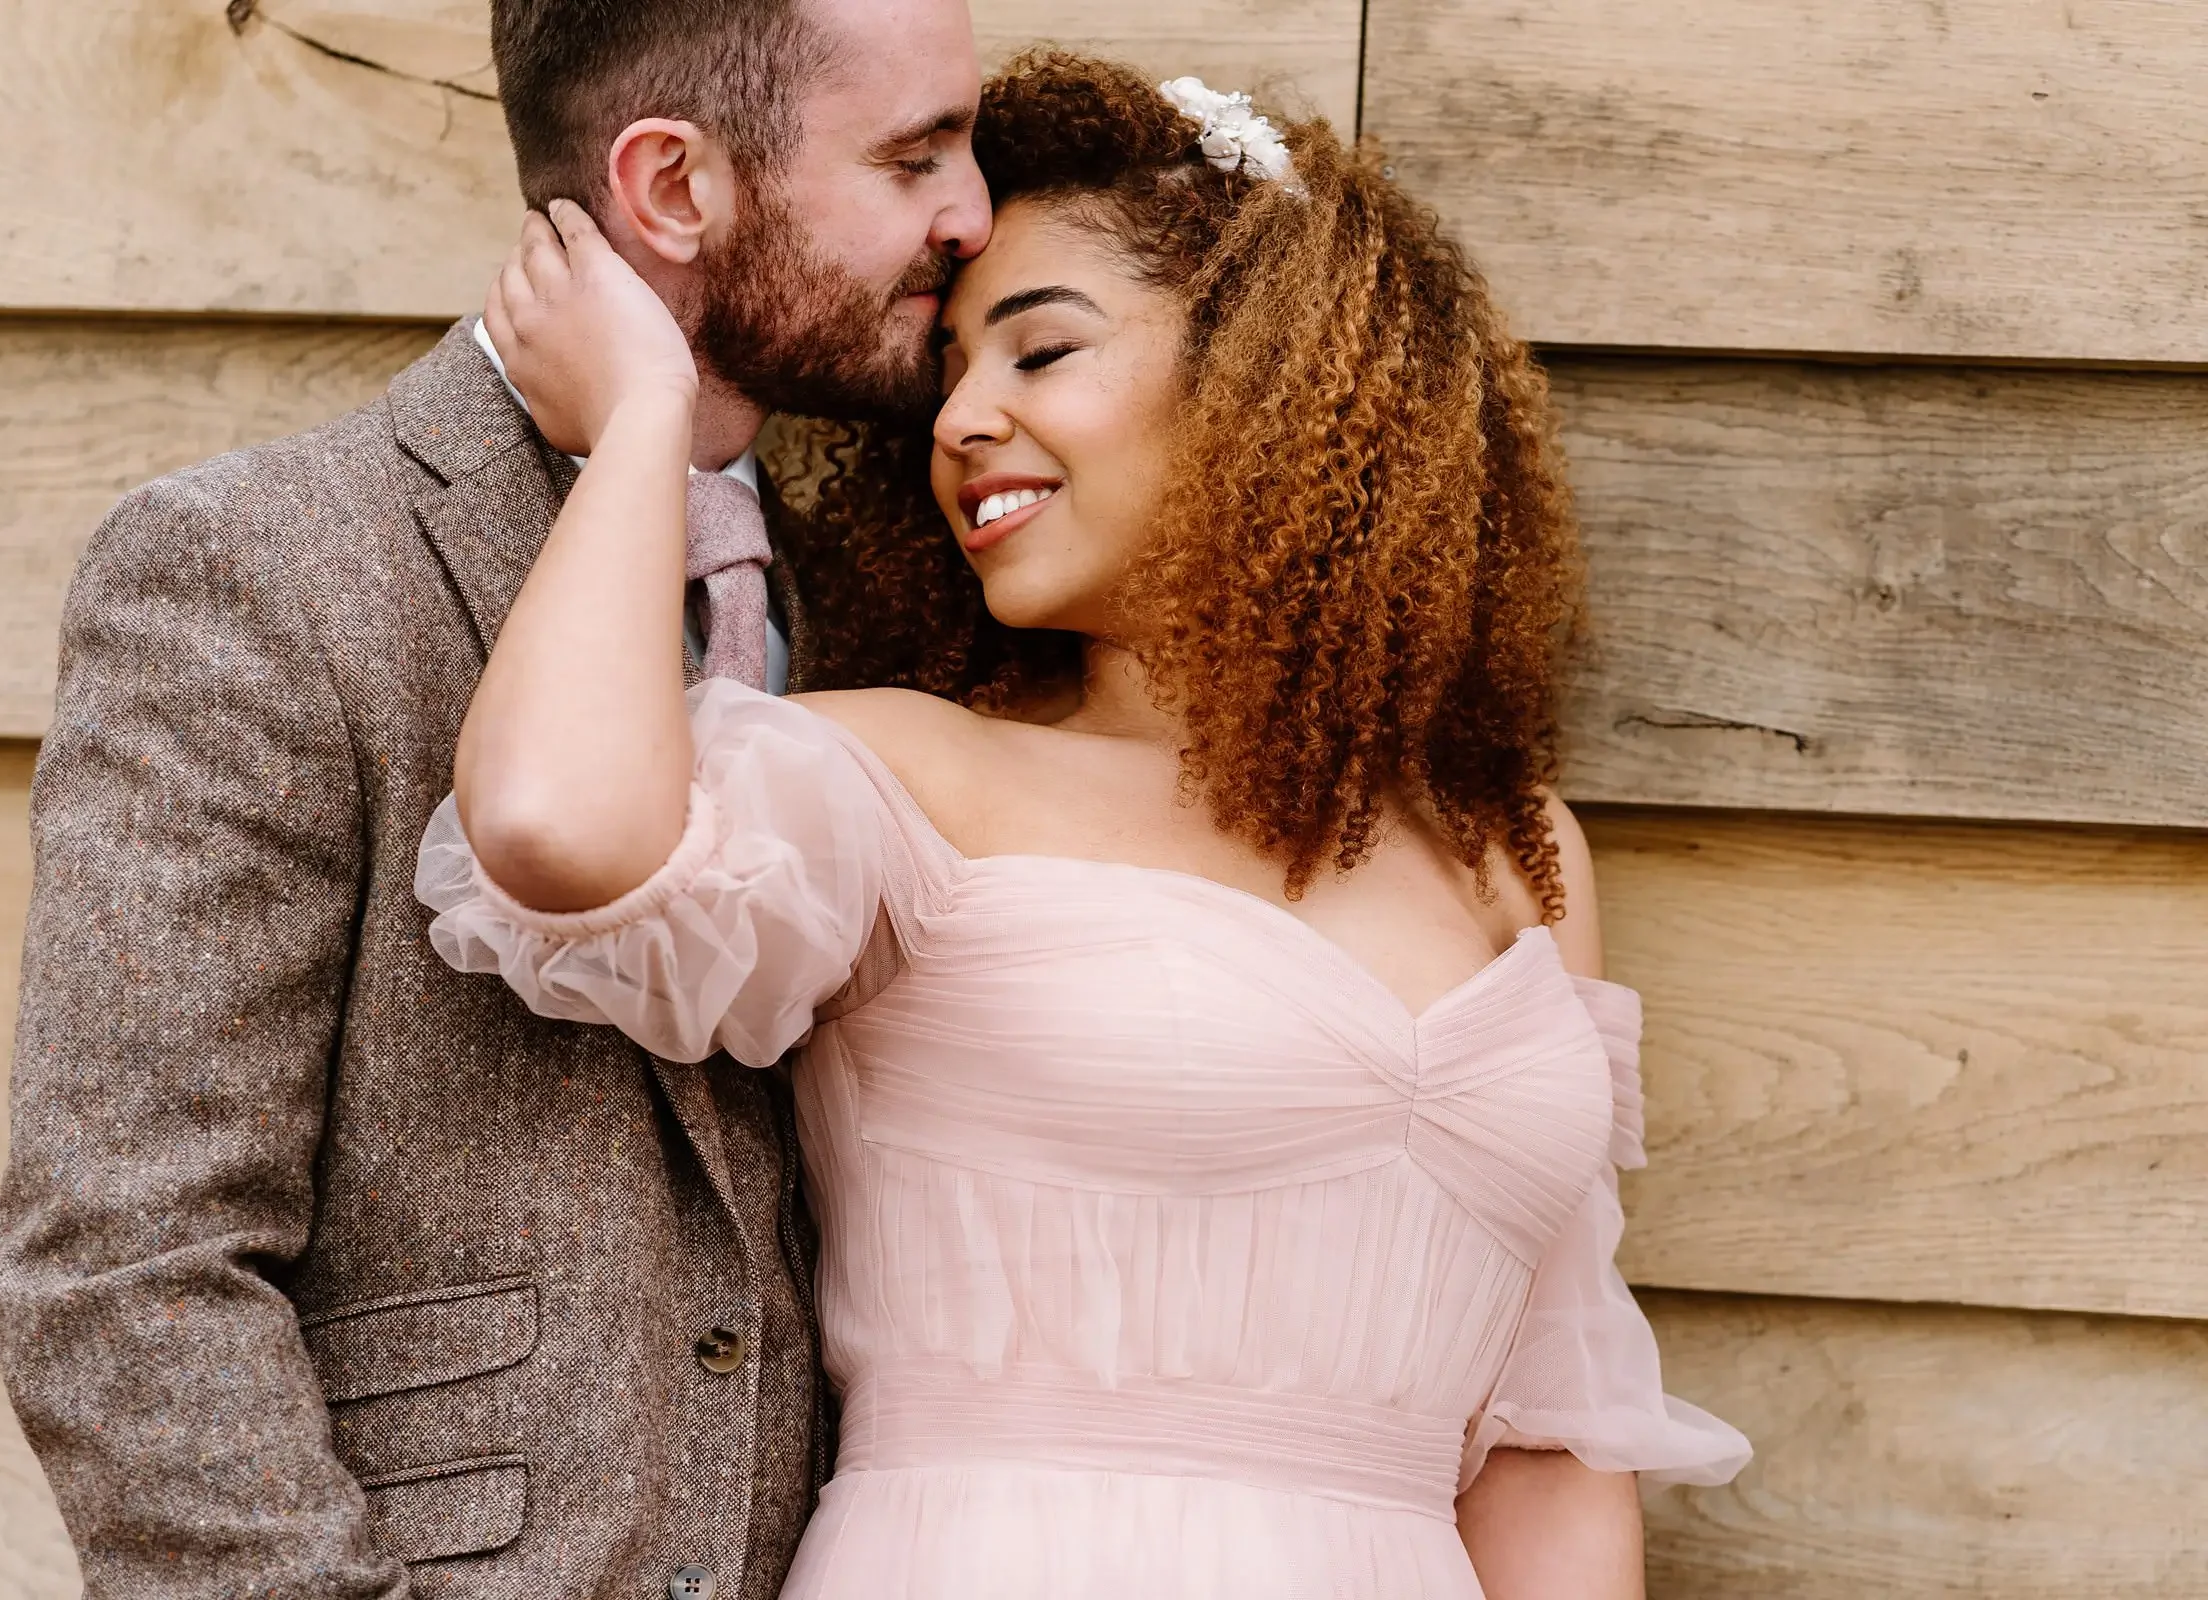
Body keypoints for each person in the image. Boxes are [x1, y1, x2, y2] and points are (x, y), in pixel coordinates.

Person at [422, 49, 1751, 1600]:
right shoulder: (918, 779)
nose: (964, 418)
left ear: (1275, 377)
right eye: (951, 375)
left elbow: (1547, 1450)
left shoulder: (1504, 850)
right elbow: (552, 825)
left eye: (1039, 354)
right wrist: (645, 417)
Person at [0, 0, 989, 1596]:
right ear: (671, 188)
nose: (973, 214)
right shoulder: (261, 571)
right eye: (915, 153)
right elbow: (123, 1269)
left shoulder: (875, 598)